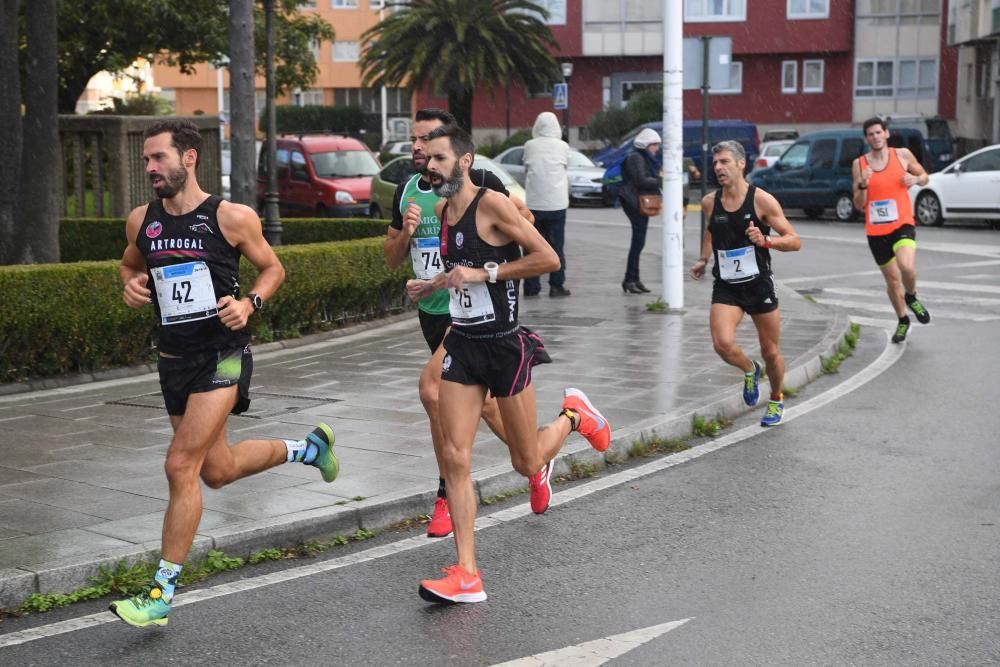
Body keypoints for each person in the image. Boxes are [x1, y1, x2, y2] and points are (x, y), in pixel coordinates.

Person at [111, 120, 339, 627]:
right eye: (147, 160)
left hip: (225, 355)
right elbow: (129, 266)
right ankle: (309, 449)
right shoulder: (141, 221)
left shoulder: (231, 217)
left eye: (158, 158)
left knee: (179, 466)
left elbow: (273, 267)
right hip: (173, 360)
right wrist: (130, 284)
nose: (150, 168)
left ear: (188, 158)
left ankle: (160, 594)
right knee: (217, 471)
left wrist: (249, 303)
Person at [408, 123, 611, 604]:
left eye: (440, 158)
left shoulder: (492, 205)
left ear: (464, 160)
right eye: (428, 159)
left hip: (504, 346)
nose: (431, 167)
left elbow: (548, 259)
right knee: (456, 457)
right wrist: (434, 284)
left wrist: (486, 271)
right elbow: (461, 275)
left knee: (527, 461)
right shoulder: (441, 210)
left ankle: (575, 416)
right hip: (463, 345)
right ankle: (467, 573)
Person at [384, 108, 535, 538]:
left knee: (431, 391)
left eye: (428, 140)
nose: (420, 149)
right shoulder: (407, 190)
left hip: (474, 317)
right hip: (436, 313)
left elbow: (526, 229)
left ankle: (446, 496)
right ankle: (534, 463)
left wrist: (487, 267)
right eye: (415, 141)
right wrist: (408, 236)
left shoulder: (482, 186)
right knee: (482, 406)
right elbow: (391, 257)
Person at [690, 140, 801, 428]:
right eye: (716, 163)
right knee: (723, 344)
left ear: (741, 164)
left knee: (771, 350)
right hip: (727, 286)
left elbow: (794, 240)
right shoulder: (709, 202)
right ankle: (750, 369)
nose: (718, 168)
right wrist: (703, 259)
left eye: (725, 161)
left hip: (759, 285)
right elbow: (711, 232)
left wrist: (767, 241)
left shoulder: (762, 201)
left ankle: (776, 398)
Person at [852, 117, 931, 343]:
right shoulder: (859, 165)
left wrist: (915, 179)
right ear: (866, 138)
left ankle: (912, 296)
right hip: (876, 232)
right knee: (892, 281)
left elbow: (925, 178)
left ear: (886, 134)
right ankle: (902, 319)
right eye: (871, 134)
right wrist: (863, 184)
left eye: (879, 132)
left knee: (906, 266)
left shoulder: (902, 155)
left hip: (902, 223)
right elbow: (858, 204)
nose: (875, 137)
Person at [522, 111, 571, 298]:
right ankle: (557, 285)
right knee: (557, 244)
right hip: (557, 203)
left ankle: (531, 286)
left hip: (534, 203)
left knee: (532, 245)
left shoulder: (530, 146)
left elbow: (527, 167)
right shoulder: (563, 147)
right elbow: (565, 166)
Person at [619, 127, 663, 294]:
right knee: (638, 241)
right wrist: (660, 181)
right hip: (633, 201)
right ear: (645, 144)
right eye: (654, 146)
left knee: (639, 241)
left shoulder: (642, 157)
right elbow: (640, 180)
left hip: (636, 200)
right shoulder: (637, 157)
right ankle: (630, 279)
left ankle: (633, 279)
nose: (656, 149)